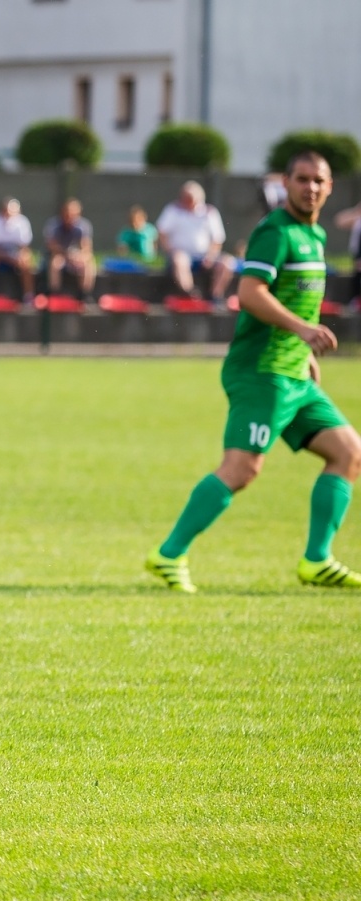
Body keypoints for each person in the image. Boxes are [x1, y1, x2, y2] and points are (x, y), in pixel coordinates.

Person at [146, 152, 361, 593]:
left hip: (293, 373)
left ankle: (317, 561)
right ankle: (168, 555)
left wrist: (304, 353)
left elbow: (296, 296)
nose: (310, 188)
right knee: (242, 468)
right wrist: (302, 331)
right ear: (285, 183)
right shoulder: (275, 231)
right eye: (301, 179)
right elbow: (250, 293)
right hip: (262, 372)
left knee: (348, 454)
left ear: (330, 186)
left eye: (318, 180)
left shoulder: (314, 234)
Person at [155, 181, 232, 301]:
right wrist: (170, 250)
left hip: (204, 256)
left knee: (227, 263)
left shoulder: (209, 212)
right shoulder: (173, 210)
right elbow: (162, 232)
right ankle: (190, 294)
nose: (187, 201)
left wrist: (210, 256)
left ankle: (215, 296)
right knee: (180, 258)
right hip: (181, 256)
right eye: (185, 198)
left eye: (190, 198)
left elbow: (218, 239)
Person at [0, 197, 34, 301]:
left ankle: (28, 296)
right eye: (7, 211)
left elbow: (24, 248)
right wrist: (8, 257)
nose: (9, 215)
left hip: (14, 257)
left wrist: (18, 257)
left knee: (26, 260)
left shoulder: (22, 222)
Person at [44, 198, 96, 299]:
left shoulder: (84, 226)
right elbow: (51, 246)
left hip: (77, 256)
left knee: (89, 262)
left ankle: (85, 295)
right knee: (55, 263)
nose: (70, 218)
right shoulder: (53, 225)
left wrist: (79, 256)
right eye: (67, 214)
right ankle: (54, 293)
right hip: (60, 255)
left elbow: (87, 248)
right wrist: (67, 254)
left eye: (73, 214)